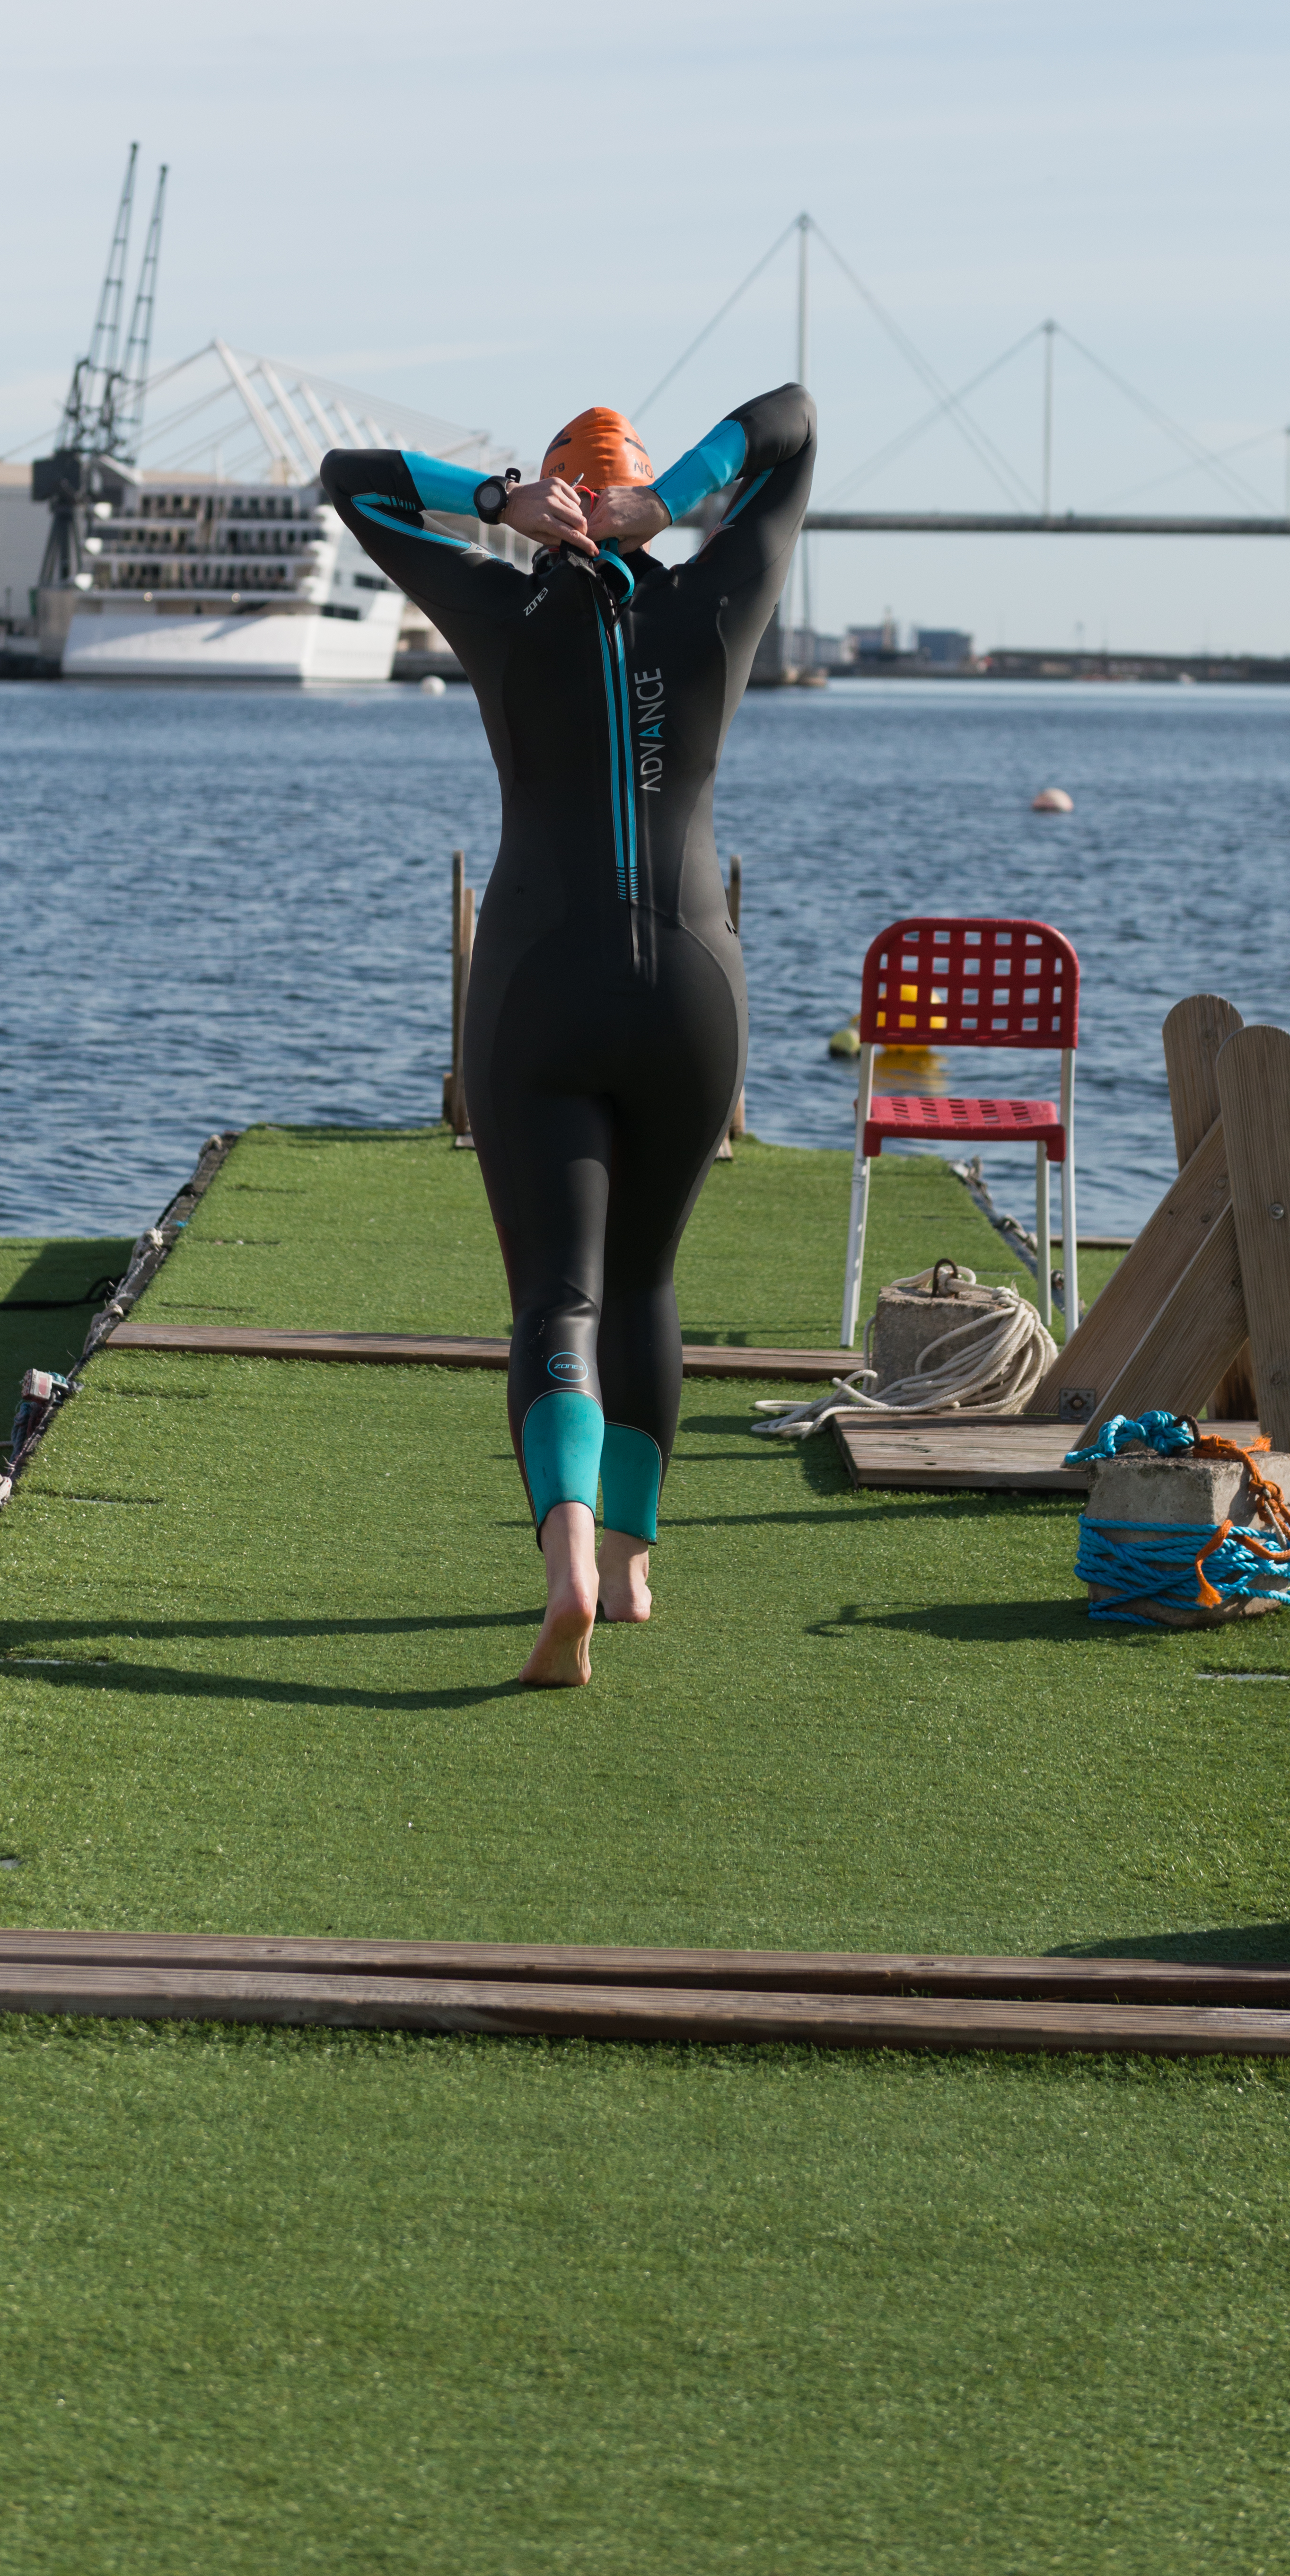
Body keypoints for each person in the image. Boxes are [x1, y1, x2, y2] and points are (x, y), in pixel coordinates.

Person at [320, 384, 815, 1685]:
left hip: (538, 981)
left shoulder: (495, 603)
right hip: (694, 992)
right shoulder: (716, 598)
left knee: (559, 1295)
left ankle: (571, 1573)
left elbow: (347, 476)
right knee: (647, 1285)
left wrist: (489, 504)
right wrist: (675, 498)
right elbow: (792, 424)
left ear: (553, 507)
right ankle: (640, 1573)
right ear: (646, 506)